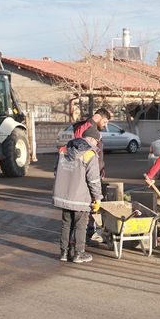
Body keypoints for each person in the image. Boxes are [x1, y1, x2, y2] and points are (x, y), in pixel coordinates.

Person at [53, 136, 103, 264]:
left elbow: (56, 171)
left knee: (66, 224)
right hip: (81, 198)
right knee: (80, 226)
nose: (96, 145)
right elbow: (94, 180)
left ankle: (64, 253)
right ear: (91, 139)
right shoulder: (89, 154)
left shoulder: (64, 150)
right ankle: (79, 253)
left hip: (64, 196)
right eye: (96, 141)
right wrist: (97, 198)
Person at [72, 108, 112, 242]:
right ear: (99, 117)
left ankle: (89, 229)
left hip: (95, 170)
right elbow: (80, 150)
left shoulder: (92, 127)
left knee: (93, 202)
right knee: (89, 202)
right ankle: (82, 236)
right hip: (87, 171)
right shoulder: (87, 126)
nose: (105, 125)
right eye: (105, 122)